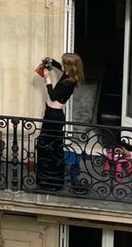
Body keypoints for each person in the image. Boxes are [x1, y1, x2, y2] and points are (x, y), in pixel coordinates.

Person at [35, 52, 84, 191]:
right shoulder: (68, 75)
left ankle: (52, 180)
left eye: (64, 63)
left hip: (54, 117)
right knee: (46, 145)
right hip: (51, 114)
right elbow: (58, 66)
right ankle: (44, 176)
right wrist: (50, 61)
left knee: (51, 146)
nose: (61, 65)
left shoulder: (68, 83)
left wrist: (48, 80)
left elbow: (53, 95)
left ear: (69, 66)